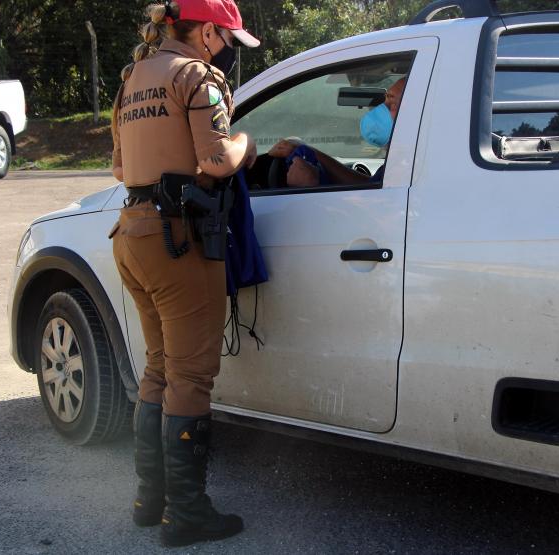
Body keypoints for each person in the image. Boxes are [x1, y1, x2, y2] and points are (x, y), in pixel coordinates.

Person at [109, 0, 259, 547]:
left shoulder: (134, 77)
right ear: (209, 32)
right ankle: (188, 514)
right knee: (190, 378)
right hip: (178, 241)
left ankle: (151, 501)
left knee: (160, 369)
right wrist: (247, 144)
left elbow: (120, 168)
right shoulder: (197, 76)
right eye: (229, 40)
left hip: (132, 233)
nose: (229, 51)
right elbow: (217, 160)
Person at [268, 77, 407, 187]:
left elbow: (378, 205)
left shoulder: (408, 165)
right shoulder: (404, 159)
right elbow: (368, 185)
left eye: (392, 102)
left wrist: (314, 182)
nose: (380, 109)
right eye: (385, 100)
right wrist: (306, 150)